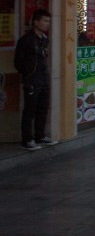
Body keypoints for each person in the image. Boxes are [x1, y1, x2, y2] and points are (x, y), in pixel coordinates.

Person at [14, 9, 56, 150]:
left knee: (43, 109)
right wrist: (28, 74)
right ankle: (27, 139)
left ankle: (40, 136)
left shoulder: (44, 39)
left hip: (44, 79)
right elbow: (18, 62)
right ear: (36, 22)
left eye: (49, 21)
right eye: (44, 21)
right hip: (31, 80)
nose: (47, 24)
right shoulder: (26, 40)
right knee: (29, 110)